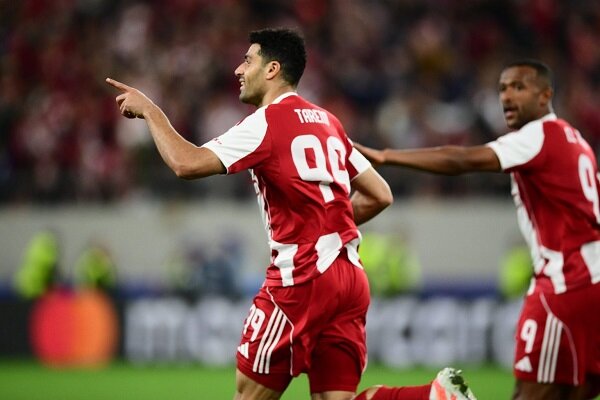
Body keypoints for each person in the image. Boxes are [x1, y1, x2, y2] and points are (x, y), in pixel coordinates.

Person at [107, 28, 476, 400]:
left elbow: (186, 163)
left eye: (248, 60)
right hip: (350, 278)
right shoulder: (329, 122)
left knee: (248, 395)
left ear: (272, 69)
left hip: (302, 279)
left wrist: (150, 110)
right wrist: (326, 226)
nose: (238, 70)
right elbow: (381, 194)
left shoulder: (264, 122)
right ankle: (434, 396)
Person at [355, 59, 600, 400]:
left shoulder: (538, 136)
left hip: (565, 282)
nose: (507, 97)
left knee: (529, 394)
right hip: (592, 282)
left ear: (545, 95)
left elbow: (462, 159)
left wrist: (384, 156)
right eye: (502, 89)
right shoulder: (577, 141)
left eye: (519, 87)